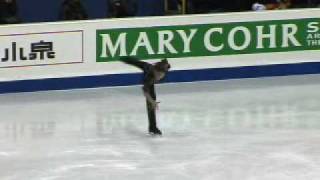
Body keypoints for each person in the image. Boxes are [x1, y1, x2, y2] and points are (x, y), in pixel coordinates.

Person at [120, 57, 171, 135]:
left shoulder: (164, 69)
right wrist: (152, 102)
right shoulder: (149, 77)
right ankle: (153, 128)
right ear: (155, 71)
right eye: (158, 74)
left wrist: (166, 63)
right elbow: (145, 92)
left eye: (162, 75)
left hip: (151, 70)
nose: (160, 77)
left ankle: (152, 128)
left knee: (152, 100)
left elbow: (165, 63)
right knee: (135, 62)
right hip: (146, 68)